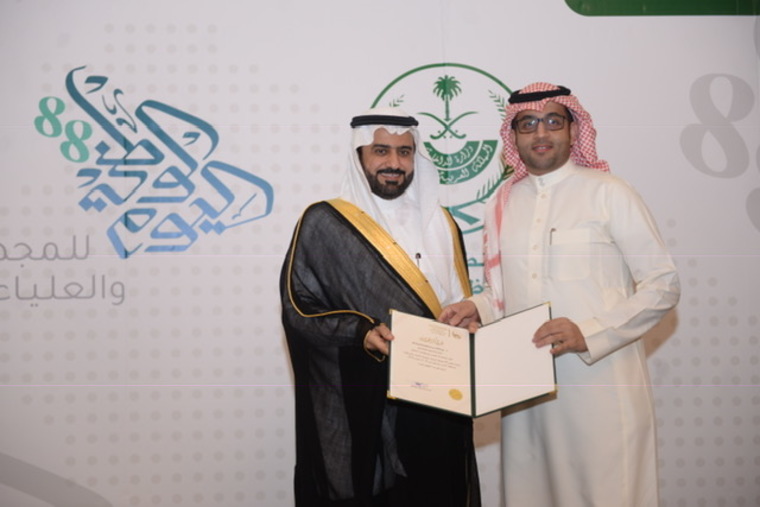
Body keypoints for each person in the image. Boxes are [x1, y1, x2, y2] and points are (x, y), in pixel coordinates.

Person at [439, 82, 680, 506]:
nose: (541, 133)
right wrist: (473, 307)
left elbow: (663, 284)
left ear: (573, 129)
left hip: (600, 386)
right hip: (525, 393)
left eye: (553, 121)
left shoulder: (609, 193)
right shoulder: (502, 202)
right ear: (513, 136)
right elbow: (501, 294)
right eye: (528, 124)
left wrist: (589, 331)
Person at [280, 107, 481, 507]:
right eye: (381, 151)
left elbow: (456, 302)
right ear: (360, 156)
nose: (394, 163)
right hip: (367, 399)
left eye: (405, 152)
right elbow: (299, 307)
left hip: (437, 398)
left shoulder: (441, 222)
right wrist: (360, 331)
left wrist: (468, 318)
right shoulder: (325, 222)